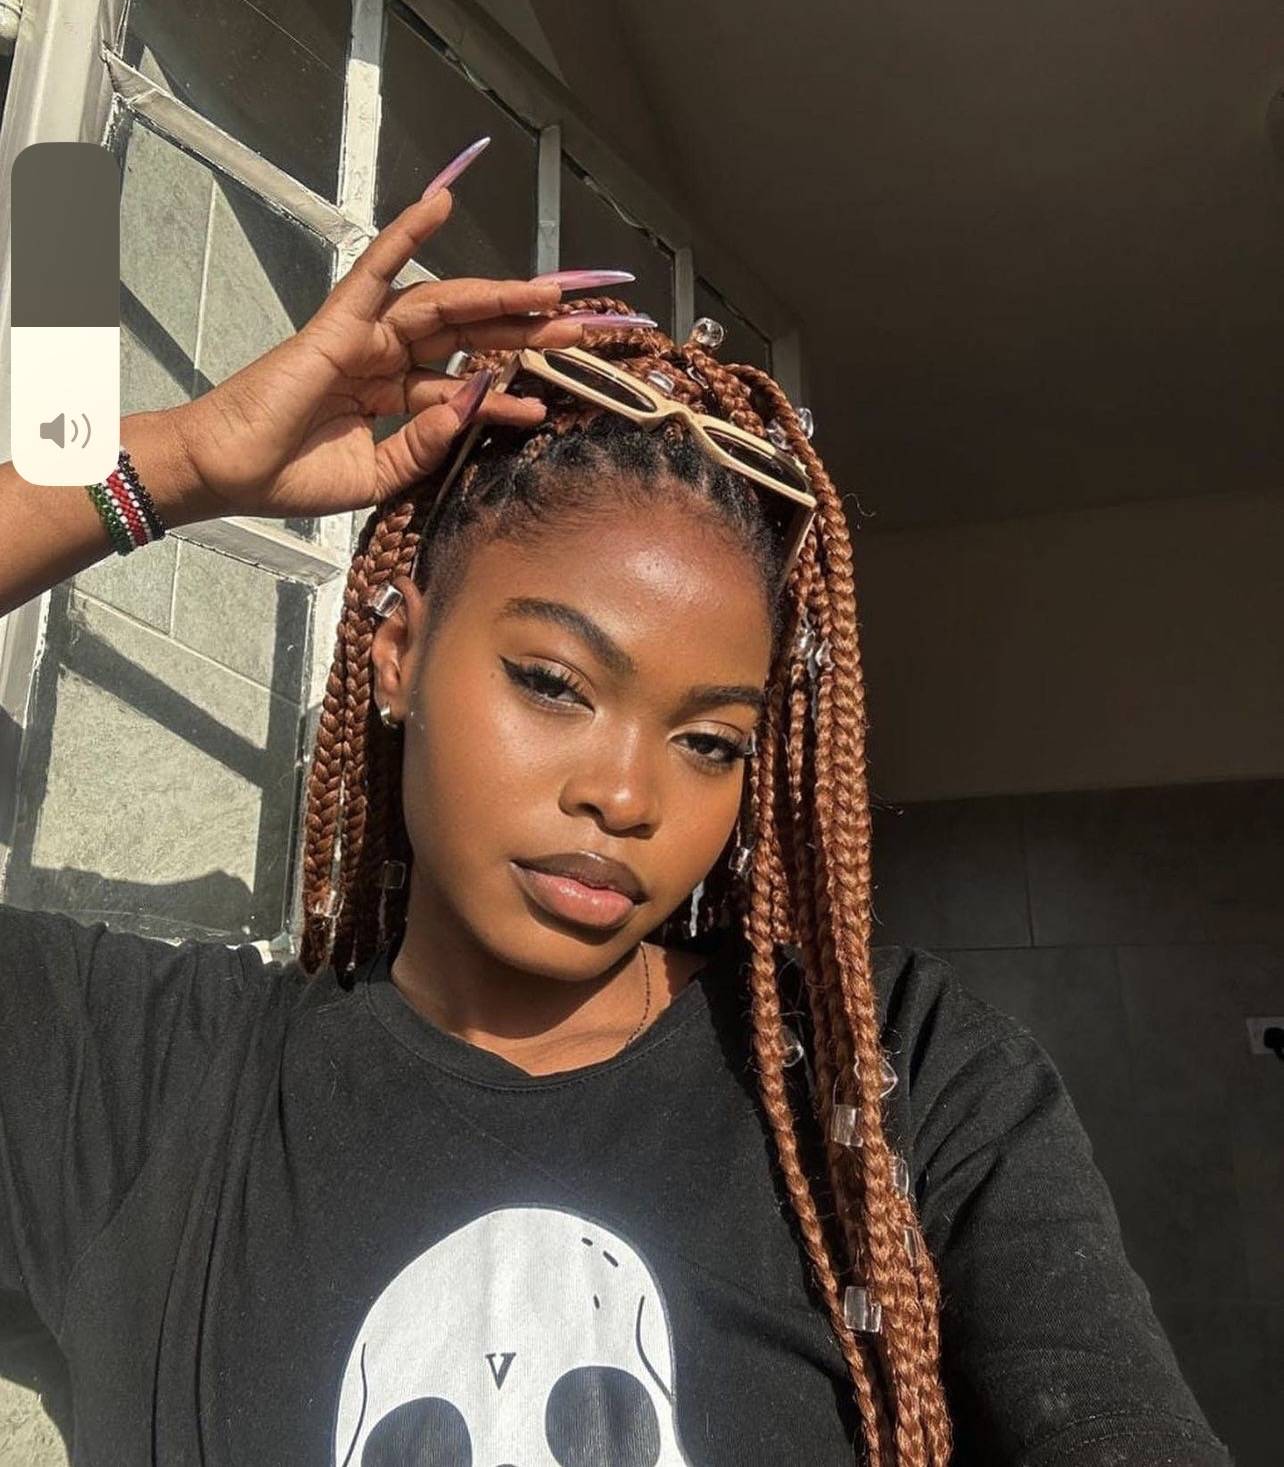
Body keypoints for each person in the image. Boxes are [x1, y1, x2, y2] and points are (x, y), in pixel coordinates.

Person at [0, 143, 1231, 1467]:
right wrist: (180, 460)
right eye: (552, 683)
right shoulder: (135, 1088)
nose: (629, 795)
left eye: (709, 742)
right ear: (398, 653)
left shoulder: (893, 1086)